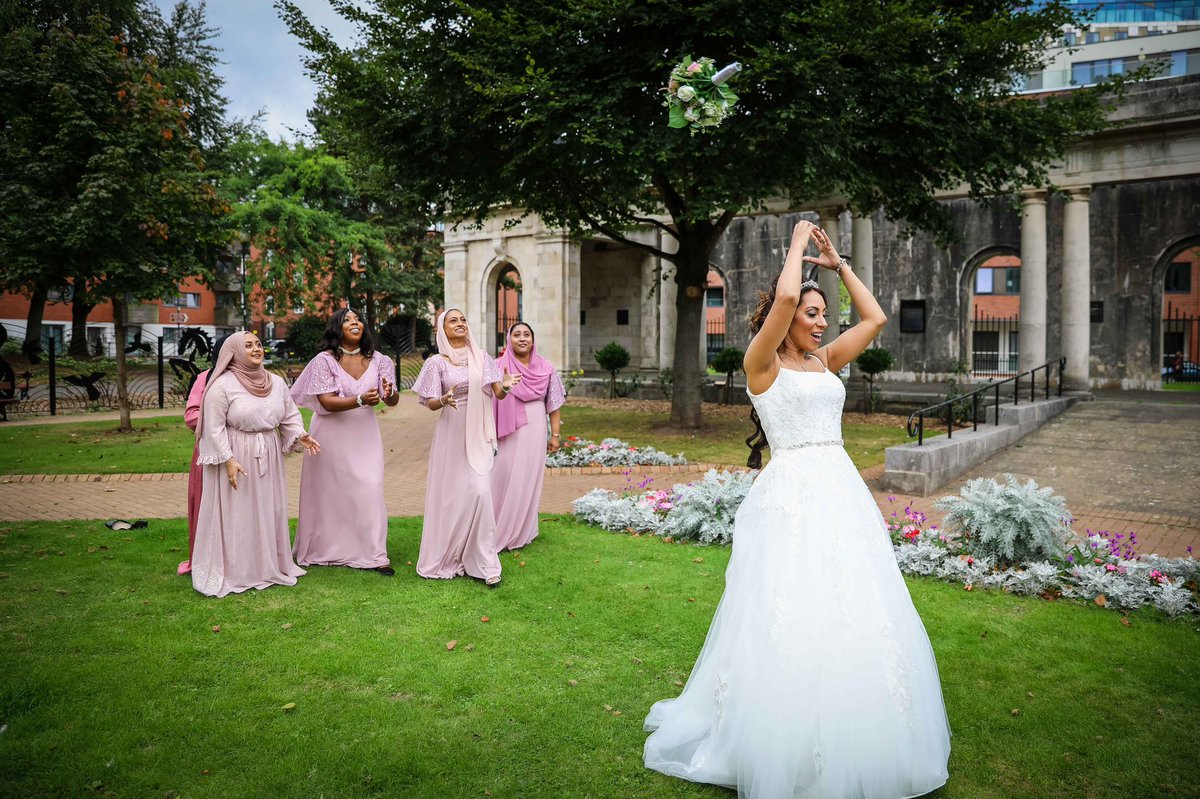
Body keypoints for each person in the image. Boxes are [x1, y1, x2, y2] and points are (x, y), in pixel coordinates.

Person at [643, 221, 951, 798]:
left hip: (840, 490)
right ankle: (775, 734)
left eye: (821, 315)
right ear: (784, 319)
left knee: (849, 603)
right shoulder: (762, 364)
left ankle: (849, 725)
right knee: (789, 605)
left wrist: (838, 268)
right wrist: (797, 248)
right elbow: (785, 294)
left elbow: (876, 319)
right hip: (790, 495)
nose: (820, 322)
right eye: (812, 314)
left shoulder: (825, 362)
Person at [191, 331, 321, 598]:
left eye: (258, 344)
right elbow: (212, 428)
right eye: (248, 346)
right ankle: (239, 570)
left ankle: (267, 565)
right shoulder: (222, 386)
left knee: (267, 508)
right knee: (238, 512)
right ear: (234, 352)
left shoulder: (275, 382)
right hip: (236, 456)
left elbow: (289, 415)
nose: (256, 349)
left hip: (268, 454)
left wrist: (299, 434)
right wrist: (228, 459)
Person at [411, 309, 520, 585]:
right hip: (452, 430)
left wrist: (505, 386)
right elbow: (430, 402)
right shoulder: (436, 363)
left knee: (481, 492)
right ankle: (450, 554)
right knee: (452, 496)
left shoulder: (481, 357)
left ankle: (485, 564)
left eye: (462, 319)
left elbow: (497, 392)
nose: (460, 323)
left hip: (479, 431)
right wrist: (444, 399)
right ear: (442, 329)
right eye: (453, 320)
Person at [290, 308, 399, 575]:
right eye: (347, 320)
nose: (354, 322)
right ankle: (326, 549)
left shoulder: (381, 360)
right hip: (330, 432)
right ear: (336, 328)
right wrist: (360, 399)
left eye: (358, 319)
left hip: (364, 434)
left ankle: (375, 555)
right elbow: (326, 401)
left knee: (370, 487)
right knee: (330, 493)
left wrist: (389, 392)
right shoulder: (324, 361)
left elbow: (392, 399)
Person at [491, 322, 566, 551]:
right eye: (517, 335)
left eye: (526, 335)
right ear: (509, 339)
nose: (522, 339)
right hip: (509, 428)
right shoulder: (498, 366)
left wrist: (555, 435)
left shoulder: (546, 368)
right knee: (503, 474)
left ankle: (523, 530)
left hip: (535, 425)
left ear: (533, 340)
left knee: (528, 477)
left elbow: (553, 404)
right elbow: (489, 397)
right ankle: (495, 528)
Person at [180, 334, 229, 576]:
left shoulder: (256, 378)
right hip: (211, 455)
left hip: (247, 456)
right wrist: (226, 425)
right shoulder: (206, 378)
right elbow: (191, 416)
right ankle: (208, 559)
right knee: (207, 508)